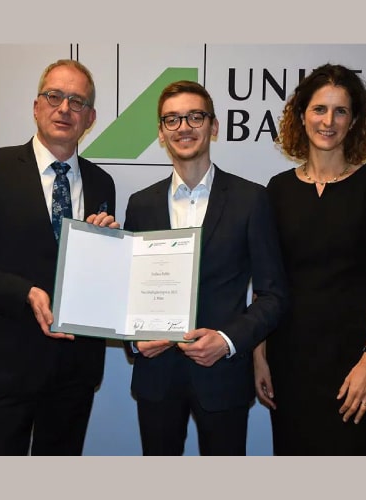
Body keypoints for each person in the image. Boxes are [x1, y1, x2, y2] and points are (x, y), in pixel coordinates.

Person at [0, 59, 119, 455]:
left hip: (75, 369)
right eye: (54, 96)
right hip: (4, 364)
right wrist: (24, 293)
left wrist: (110, 252)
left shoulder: (103, 182)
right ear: (37, 105)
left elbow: (99, 278)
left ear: (90, 118)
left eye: (77, 101)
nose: (64, 108)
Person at [123, 80, 288, 455]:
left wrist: (228, 341)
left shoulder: (251, 199)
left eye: (195, 116)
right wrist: (134, 339)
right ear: (161, 133)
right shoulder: (140, 204)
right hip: (156, 375)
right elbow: (127, 290)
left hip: (224, 375)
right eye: (172, 120)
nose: (184, 127)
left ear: (213, 126)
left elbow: (273, 295)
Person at [253, 63, 366, 455]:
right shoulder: (278, 189)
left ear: (354, 120)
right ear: (301, 115)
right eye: (320, 109)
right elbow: (266, 282)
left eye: (341, 111)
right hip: (289, 360)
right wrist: (259, 356)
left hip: (353, 364)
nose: (329, 121)